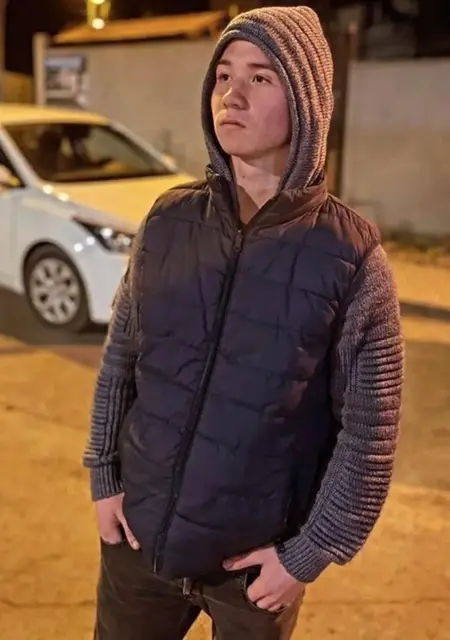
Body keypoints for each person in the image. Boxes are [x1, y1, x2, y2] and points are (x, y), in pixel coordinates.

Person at [83, 5, 404, 640]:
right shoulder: (169, 220)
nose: (231, 94)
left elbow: (369, 435)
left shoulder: (351, 256)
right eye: (223, 74)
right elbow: (122, 360)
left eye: (260, 77)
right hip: (136, 541)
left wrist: (308, 555)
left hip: (255, 570)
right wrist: (104, 476)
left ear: (307, 103)